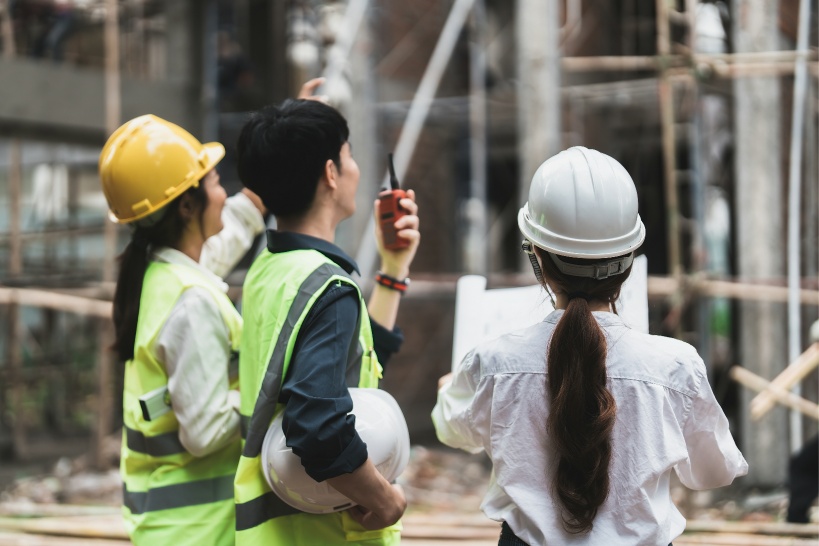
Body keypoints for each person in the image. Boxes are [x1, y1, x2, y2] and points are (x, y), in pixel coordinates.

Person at [432, 146, 748, 546]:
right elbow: (712, 472)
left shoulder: (493, 364)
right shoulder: (675, 367)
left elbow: (451, 429)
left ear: (538, 259)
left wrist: (449, 389)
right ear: (629, 259)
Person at [233, 98, 420, 545]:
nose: (355, 169)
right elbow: (316, 423)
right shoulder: (327, 287)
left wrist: (393, 269)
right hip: (326, 534)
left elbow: (355, 368)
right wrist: (385, 500)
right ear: (331, 174)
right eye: (349, 155)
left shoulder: (270, 268)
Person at [98, 113, 267, 545]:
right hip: (197, 531)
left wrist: (278, 160)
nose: (223, 192)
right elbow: (206, 432)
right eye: (213, 182)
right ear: (187, 206)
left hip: (169, 525)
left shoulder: (163, 275)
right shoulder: (192, 304)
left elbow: (227, 240)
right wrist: (271, 387)